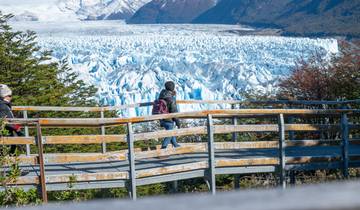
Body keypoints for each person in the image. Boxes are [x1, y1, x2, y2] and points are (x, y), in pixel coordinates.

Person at [0, 84, 23, 155]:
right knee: (10, 153)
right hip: (5, 134)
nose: (11, 97)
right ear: (5, 96)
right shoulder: (3, 106)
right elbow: (6, 120)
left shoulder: (4, 105)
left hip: (7, 132)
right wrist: (18, 129)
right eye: (9, 96)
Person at [158, 81, 181, 149]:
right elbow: (174, 111)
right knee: (169, 134)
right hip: (168, 119)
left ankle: (175, 145)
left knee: (171, 131)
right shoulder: (171, 99)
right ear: (172, 88)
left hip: (161, 118)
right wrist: (178, 122)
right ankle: (163, 149)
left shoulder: (162, 95)